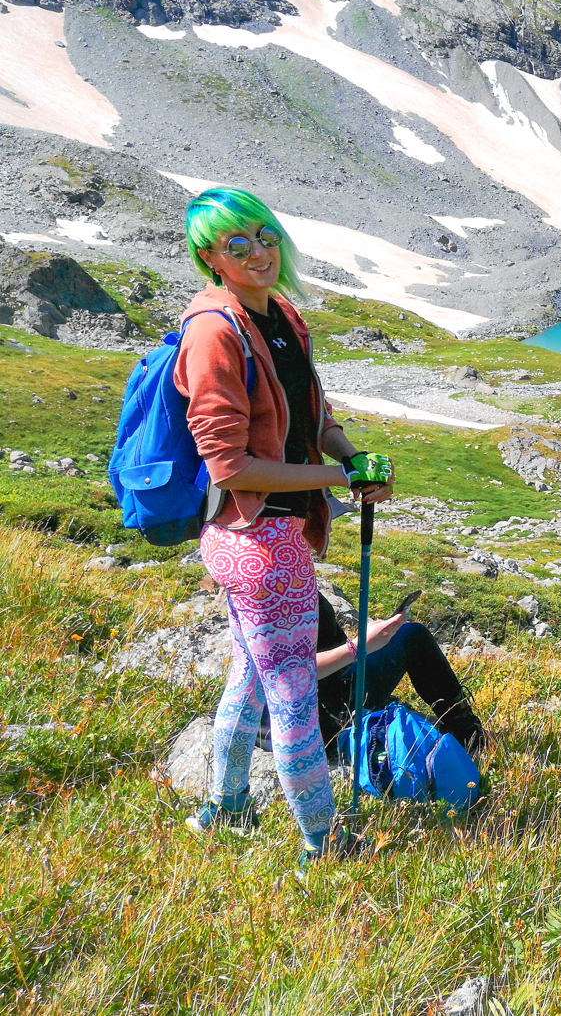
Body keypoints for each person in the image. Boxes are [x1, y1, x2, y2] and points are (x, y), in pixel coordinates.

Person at [173, 186, 395, 867]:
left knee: (251, 670)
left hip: (268, 536)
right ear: (209, 256)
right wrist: (338, 481)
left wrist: (353, 455)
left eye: (263, 236)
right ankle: (322, 844)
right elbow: (233, 467)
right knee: (294, 688)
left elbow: (313, 414)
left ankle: (227, 804)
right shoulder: (215, 329)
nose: (258, 253)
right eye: (236, 245)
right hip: (256, 539)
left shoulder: (281, 316)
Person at [254, 593, 487, 758]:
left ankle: (464, 731)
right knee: (413, 636)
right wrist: (357, 647)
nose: (330, 527)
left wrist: (367, 638)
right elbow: (284, 674)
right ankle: (469, 736)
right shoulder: (282, 587)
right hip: (315, 720)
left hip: (288, 714)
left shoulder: (272, 574)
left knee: (403, 635)